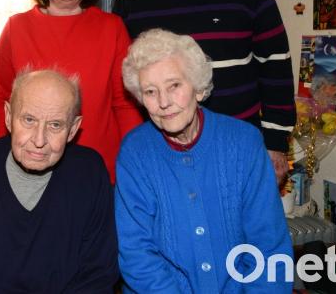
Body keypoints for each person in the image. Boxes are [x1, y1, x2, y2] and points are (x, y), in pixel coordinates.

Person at [113, 0, 296, 183]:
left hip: (240, 144)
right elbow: (125, 79)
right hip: (161, 151)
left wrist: (276, 143)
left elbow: (275, 61)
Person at [115, 29, 292, 293]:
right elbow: (137, 255)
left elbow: (268, 247)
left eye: (174, 86)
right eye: (150, 92)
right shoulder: (134, 154)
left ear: (198, 88)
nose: (164, 102)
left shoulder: (245, 143)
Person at [0, 69, 119, 293]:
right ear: (8, 116)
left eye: (55, 125)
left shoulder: (89, 174)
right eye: (29, 120)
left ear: (73, 129)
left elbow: (98, 275)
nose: (39, 140)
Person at [0, 0, 143, 183]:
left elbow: (124, 104)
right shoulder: (16, 27)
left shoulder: (112, 28)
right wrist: (10, 150)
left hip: (100, 169)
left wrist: (138, 158)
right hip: (31, 167)